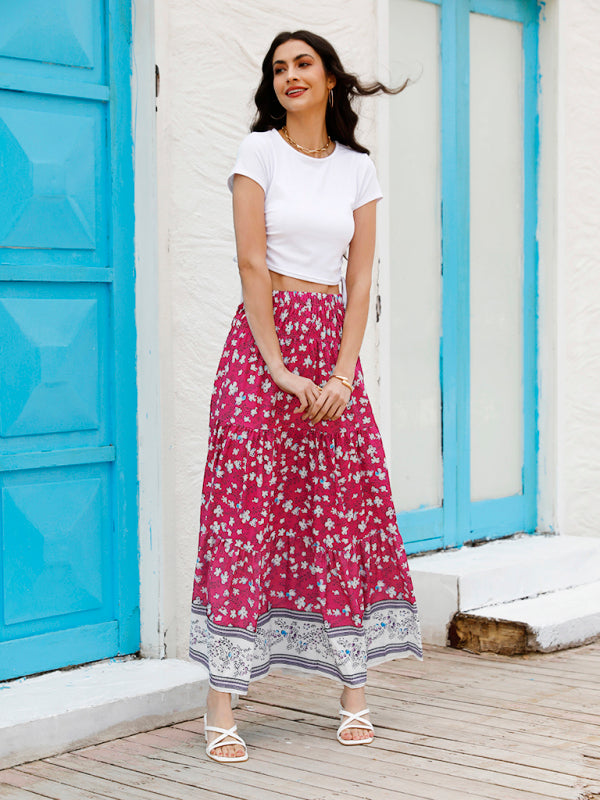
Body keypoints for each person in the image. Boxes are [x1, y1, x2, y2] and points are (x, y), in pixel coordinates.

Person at [189, 29, 423, 764]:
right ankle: (220, 701)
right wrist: (281, 369)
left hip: (331, 351)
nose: (290, 76)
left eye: (303, 65)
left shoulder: (359, 168)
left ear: (329, 81)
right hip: (264, 348)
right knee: (245, 508)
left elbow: (360, 279)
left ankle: (354, 689)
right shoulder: (258, 151)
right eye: (279, 68)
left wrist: (343, 374)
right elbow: (252, 261)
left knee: (340, 506)